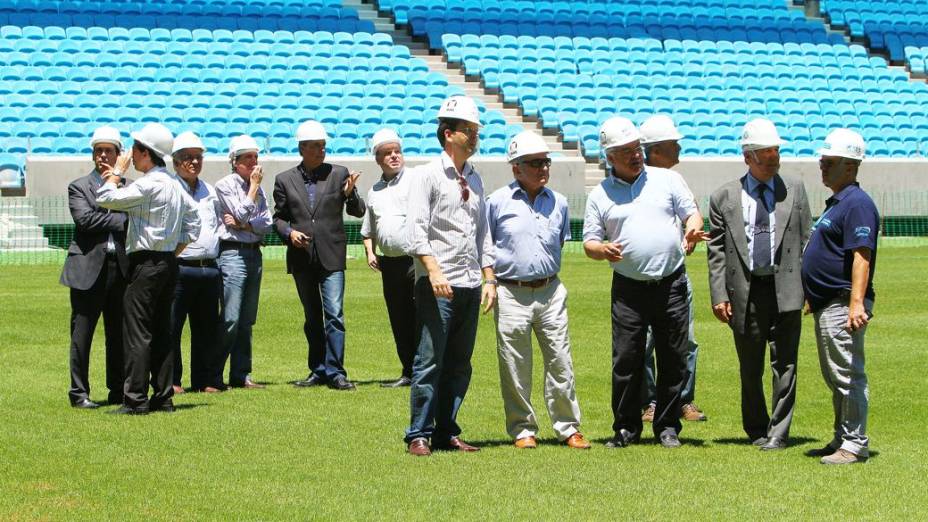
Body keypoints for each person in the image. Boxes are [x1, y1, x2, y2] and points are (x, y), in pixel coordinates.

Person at [582, 116, 707, 449]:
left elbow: (691, 213)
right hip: (629, 289)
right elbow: (589, 241)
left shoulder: (668, 179)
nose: (635, 155)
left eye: (637, 148)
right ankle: (626, 428)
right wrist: (602, 249)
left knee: (674, 357)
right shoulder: (600, 194)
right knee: (626, 359)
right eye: (625, 151)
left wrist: (693, 227)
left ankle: (667, 426)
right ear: (610, 157)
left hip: (671, 284)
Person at [707, 118, 811, 450]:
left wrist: (810, 289)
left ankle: (779, 433)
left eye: (776, 154)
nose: (772, 161)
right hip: (745, 293)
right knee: (750, 367)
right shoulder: (723, 196)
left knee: (786, 365)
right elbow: (717, 250)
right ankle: (756, 429)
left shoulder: (795, 189)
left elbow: (808, 240)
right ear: (748, 157)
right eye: (766, 156)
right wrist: (719, 293)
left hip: (788, 289)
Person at [404, 95, 496, 456]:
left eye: (475, 131)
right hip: (439, 284)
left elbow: (482, 232)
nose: (474, 137)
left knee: (460, 363)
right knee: (429, 359)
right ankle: (418, 434)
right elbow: (417, 229)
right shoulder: (425, 175)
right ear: (448, 134)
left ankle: (447, 431)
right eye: (468, 131)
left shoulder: (475, 178)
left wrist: (489, 278)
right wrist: (432, 271)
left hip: (471, 282)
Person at [487, 130, 590, 450]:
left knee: (561, 361)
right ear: (516, 168)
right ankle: (522, 430)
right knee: (515, 365)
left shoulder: (558, 203)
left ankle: (568, 427)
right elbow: (486, 246)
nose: (543, 168)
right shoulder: (496, 202)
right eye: (535, 163)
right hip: (509, 291)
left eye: (546, 162)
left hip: (549, 290)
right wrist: (489, 281)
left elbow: (558, 243)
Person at [96, 123, 200, 415]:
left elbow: (104, 198)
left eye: (134, 150)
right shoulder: (174, 185)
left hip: (145, 262)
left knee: (138, 332)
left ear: (145, 153)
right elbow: (195, 223)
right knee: (162, 331)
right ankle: (163, 397)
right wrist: (173, 250)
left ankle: (135, 399)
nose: (130, 155)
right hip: (167, 262)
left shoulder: (148, 184)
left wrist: (116, 173)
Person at [802, 129, 878, 465]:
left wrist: (856, 302)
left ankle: (854, 443)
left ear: (850, 166)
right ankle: (842, 437)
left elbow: (862, 254)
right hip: (828, 302)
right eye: (822, 161)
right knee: (836, 374)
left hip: (842, 301)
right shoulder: (839, 202)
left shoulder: (857, 204)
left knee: (847, 373)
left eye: (829, 162)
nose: (823, 167)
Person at [273, 120, 365, 391]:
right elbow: (278, 218)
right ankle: (318, 369)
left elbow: (358, 211)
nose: (321, 151)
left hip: (332, 255)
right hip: (301, 258)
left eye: (323, 146)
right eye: (315, 146)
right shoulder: (284, 180)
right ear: (302, 148)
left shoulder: (339, 174)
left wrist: (349, 195)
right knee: (312, 316)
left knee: (334, 314)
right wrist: (289, 234)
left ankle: (336, 372)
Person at [638, 115, 706, 423]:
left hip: (675, 273)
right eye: (672, 144)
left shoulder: (676, 180)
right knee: (644, 343)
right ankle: (650, 402)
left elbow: (693, 214)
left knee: (685, 340)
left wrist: (691, 231)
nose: (678, 147)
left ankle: (682, 399)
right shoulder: (636, 182)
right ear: (655, 150)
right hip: (642, 276)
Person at [60, 126, 129, 409]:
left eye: (108, 151)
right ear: (92, 154)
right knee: (82, 336)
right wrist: (122, 220)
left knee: (118, 335)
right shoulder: (79, 186)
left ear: (118, 155)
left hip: (121, 268)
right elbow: (85, 221)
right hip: (88, 271)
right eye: (98, 151)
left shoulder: (131, 187)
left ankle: (117, 390)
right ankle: (79, 393)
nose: (103, 155)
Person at [214, 135, 273, 389]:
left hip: (253, 253)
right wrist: (251, 192)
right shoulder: (225, 185)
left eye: (255, 157)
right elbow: (239, 212)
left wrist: (244, 225)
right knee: (230, 317)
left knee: (247, 319)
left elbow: (266, 224)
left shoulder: (258, 188)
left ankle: (241, 374)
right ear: (235, 161)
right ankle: (213, 373)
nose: (253, 162)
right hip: (232, 253)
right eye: (247, 157)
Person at [361, 128, 416, 388]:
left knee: (421, 316)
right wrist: (370, 252)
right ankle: (408, 370)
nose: (394, 156)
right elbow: (368, 228)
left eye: (397, 151)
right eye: (387, 153)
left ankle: (425, 370)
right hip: (390, 264)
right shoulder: (374, 191)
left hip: (416, 260)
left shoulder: (416, 181)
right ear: (378, 159)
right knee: (398, 317)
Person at [168, 132, 223, 394]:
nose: (194, 162)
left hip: (209, 267)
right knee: (172, 328)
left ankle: (204, 380)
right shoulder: (170, 189)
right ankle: (172, 379)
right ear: (176, 162)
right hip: (180, 267)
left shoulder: (210, 191)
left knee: (206, 330)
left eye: (198, 157)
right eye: (188, 158)